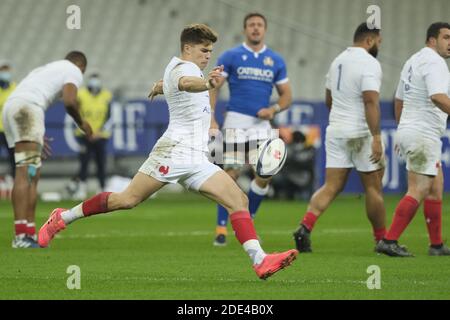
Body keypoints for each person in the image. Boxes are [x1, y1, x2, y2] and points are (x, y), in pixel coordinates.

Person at [38, 24, 298, 280]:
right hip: (172, 152)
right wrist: (207, 83)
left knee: (238, 200)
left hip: (196, 159)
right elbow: (186, 83)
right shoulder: (184, 70)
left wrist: (163, 86)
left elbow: (177, 84)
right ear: (188, 48)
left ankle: (260, 261)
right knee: (127, 199)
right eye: (203, 50)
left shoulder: (181, 69)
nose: (208, 56)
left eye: (210, 51)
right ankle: (63, 217)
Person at [293, 23, 387, 253]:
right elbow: (370, 101)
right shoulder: (369, 63)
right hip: (359, 132)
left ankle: (305, 227)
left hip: (335, 129)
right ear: (370, 40)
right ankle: (382, 240)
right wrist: (376, 136)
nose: (379, 45)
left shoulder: (337, 61)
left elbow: (328, 99)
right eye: (378, 41)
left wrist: (340, 117)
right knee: (373, 188)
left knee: (331, 185)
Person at [210, 12, 293, 246]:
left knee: (265, 175)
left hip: (262, 126)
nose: (255, 28)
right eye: (251, 25)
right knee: (229, 175)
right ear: (245, 29)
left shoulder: (275, 60)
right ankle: (221, 228)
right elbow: (214, 86)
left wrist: (274, 109)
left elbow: (287, 95)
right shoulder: (232, 55)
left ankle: (248, 221)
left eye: (259, 25)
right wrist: (212, 120)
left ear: (264, 30)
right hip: (235, 122)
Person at [3, 51, 92, 248]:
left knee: (30, 172)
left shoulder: (47, 69)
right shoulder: (73, 70)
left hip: (12, 108)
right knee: (25, 172)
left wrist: (36, 134)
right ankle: (21, 236)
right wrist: (81, 123)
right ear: (82, 67)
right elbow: (69, 102)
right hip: (28, 109)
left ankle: (27, 233)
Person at [376, 22, 450, 257]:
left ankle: (436, 245)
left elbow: (399, 100)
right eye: (447, 38)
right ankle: (389, 240)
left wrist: (403, 129)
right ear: (432, 40)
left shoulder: (412, 61)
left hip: (413, 130)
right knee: (419, 188)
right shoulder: (434, 62)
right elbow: (438, 97)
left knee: (435, 186)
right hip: (423, 132)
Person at [72, 73, 113, 199]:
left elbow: (110, 117)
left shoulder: (106, 95)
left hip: (101, 136)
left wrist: (98, 132)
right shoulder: (81, 94)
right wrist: (87, 131)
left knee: (101, 163)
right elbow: (76, 115)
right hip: (84, 135)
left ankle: (101, 188)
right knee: (84, 162)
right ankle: (82, 188)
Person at [0, 61, 16, 177]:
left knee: (14, 156)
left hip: (10, 129)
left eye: (7, 70)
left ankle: (15, 179)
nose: (5, 73)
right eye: (3, 70)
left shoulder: (15, 87)